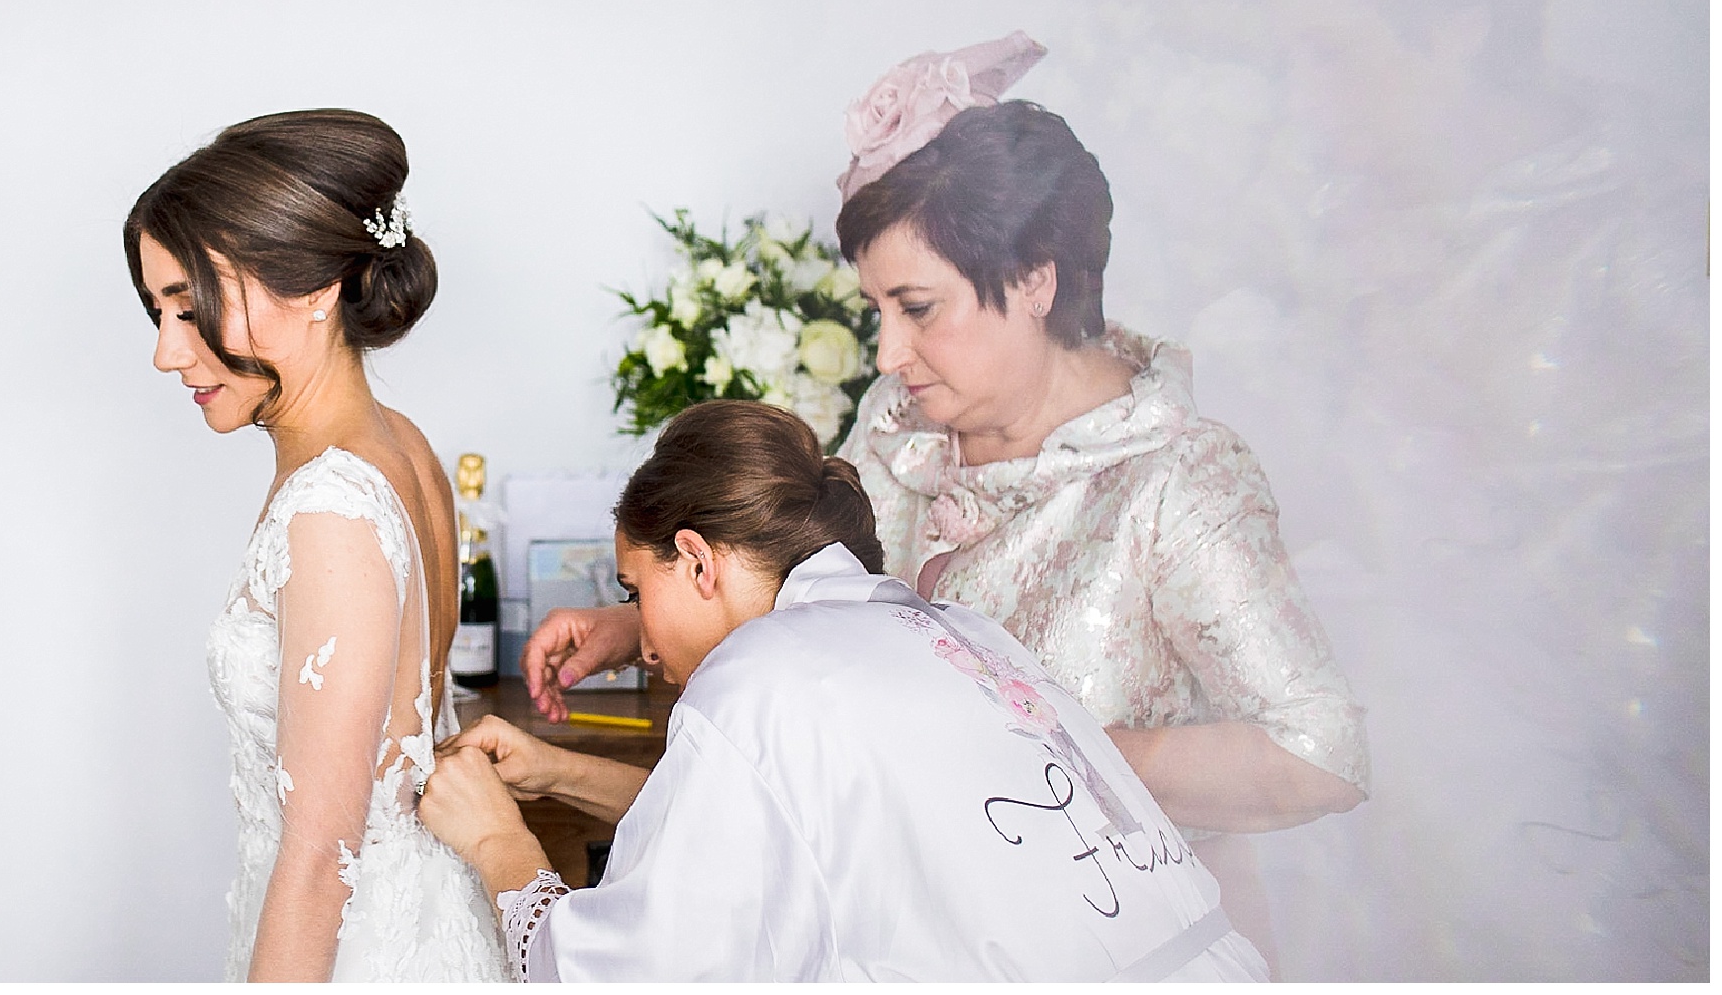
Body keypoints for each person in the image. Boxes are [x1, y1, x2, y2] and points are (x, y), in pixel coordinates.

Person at [521, 38, 1368, 966]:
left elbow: (1321, 754)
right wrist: (636, 615)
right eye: (875, 310)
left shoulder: (1177, 476)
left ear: (1036, 278)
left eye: (916, 307)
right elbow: (811, 584)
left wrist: (1028, 745)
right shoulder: (901, 422)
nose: (886, 353)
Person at [421, 400, 1268, 981]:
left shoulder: (756, 675)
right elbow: (784, 836)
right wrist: (554, 771)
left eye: (637, 589)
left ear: (698, 559)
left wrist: (499, 840)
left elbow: (632, 971)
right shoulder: (952, 632)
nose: (640, 637)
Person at [125, 109, 504, 981]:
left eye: (191, 307)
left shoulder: (330, 509)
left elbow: (318, 858)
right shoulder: (400, 441)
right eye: (157, 310)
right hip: (421, 916)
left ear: (315, 288)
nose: (164, 352)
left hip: (358, 952)